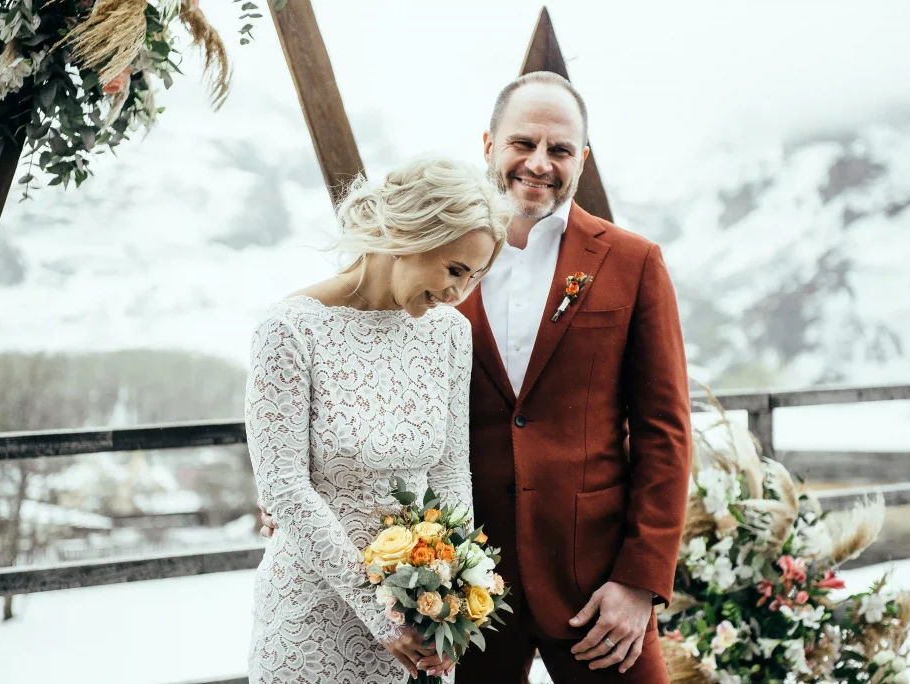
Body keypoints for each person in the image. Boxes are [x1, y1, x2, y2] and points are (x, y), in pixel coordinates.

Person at [261, 72, 692, 683]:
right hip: (455, 596)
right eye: (523, 143)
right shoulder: (431, 264)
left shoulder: (633, 262)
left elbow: (665, 432)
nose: (540, 164)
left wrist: (641, 579)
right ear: (489, 144)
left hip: (597, 584)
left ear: (583, 159)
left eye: (561, 149)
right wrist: (293, 485)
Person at [244, 157, 510, 684]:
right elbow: (284, 488)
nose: (461, 292)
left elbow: (452, 473)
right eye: (455, 269)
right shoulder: (289, 328)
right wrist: (380, 614)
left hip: (419, 630)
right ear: (406, 232)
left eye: (475, 277)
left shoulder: (451, 334)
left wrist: (452, 606)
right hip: (311, 619)